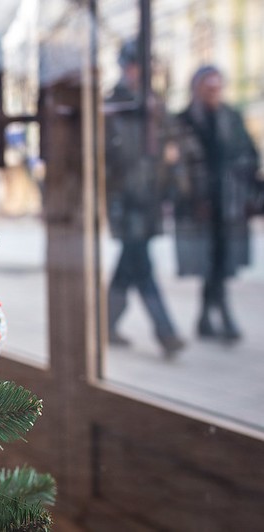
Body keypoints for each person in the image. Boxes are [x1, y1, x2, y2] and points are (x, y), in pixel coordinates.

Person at [104, 40, 185, 356]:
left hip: (149, 199)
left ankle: (105, 323)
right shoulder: (113, 106)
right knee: (141, 265)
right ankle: (166, 333)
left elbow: (171, 149)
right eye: (134, 64)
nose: (139, 71)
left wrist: (172, 186)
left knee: (129, 266)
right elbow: (108, 158)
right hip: (125, 200)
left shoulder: (155, 106)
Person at [171, 66, 260, 341]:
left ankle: (209, 317)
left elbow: (249, 155)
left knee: (221, 261)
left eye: (217, 88)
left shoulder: (231, 117)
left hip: (228, 203)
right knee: (208, 261)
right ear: (196, 89)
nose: (213, 93)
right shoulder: (183, 121)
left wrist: (246, 191)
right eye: (208, 88)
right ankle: (220, 317)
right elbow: (178, 167)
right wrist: (190, 196)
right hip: (199, 206)